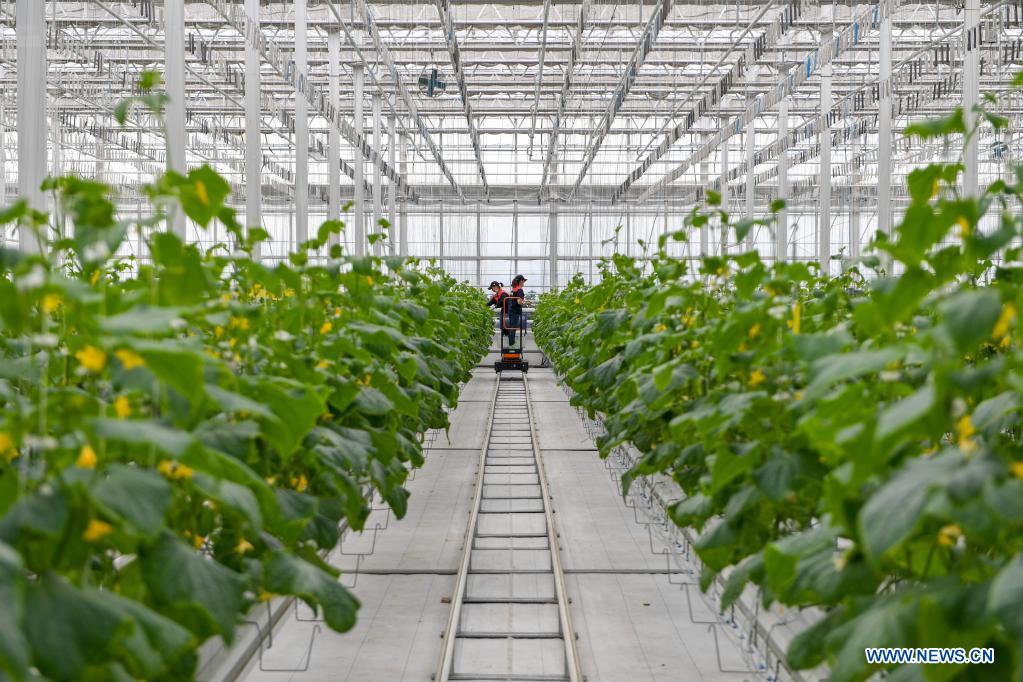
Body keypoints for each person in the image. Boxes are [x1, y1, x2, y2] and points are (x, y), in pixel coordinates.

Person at [506, 275, 527, 346]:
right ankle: (511, 343)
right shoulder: (519, 290)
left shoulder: (513, 289)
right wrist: (525, 302)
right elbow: (519, 301)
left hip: (511, 310)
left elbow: (512, 300)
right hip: (516, 311)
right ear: (521, 281)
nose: (524, 283)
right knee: (514, 327)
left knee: (512, 326)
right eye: (524, 281)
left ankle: (511, 342)